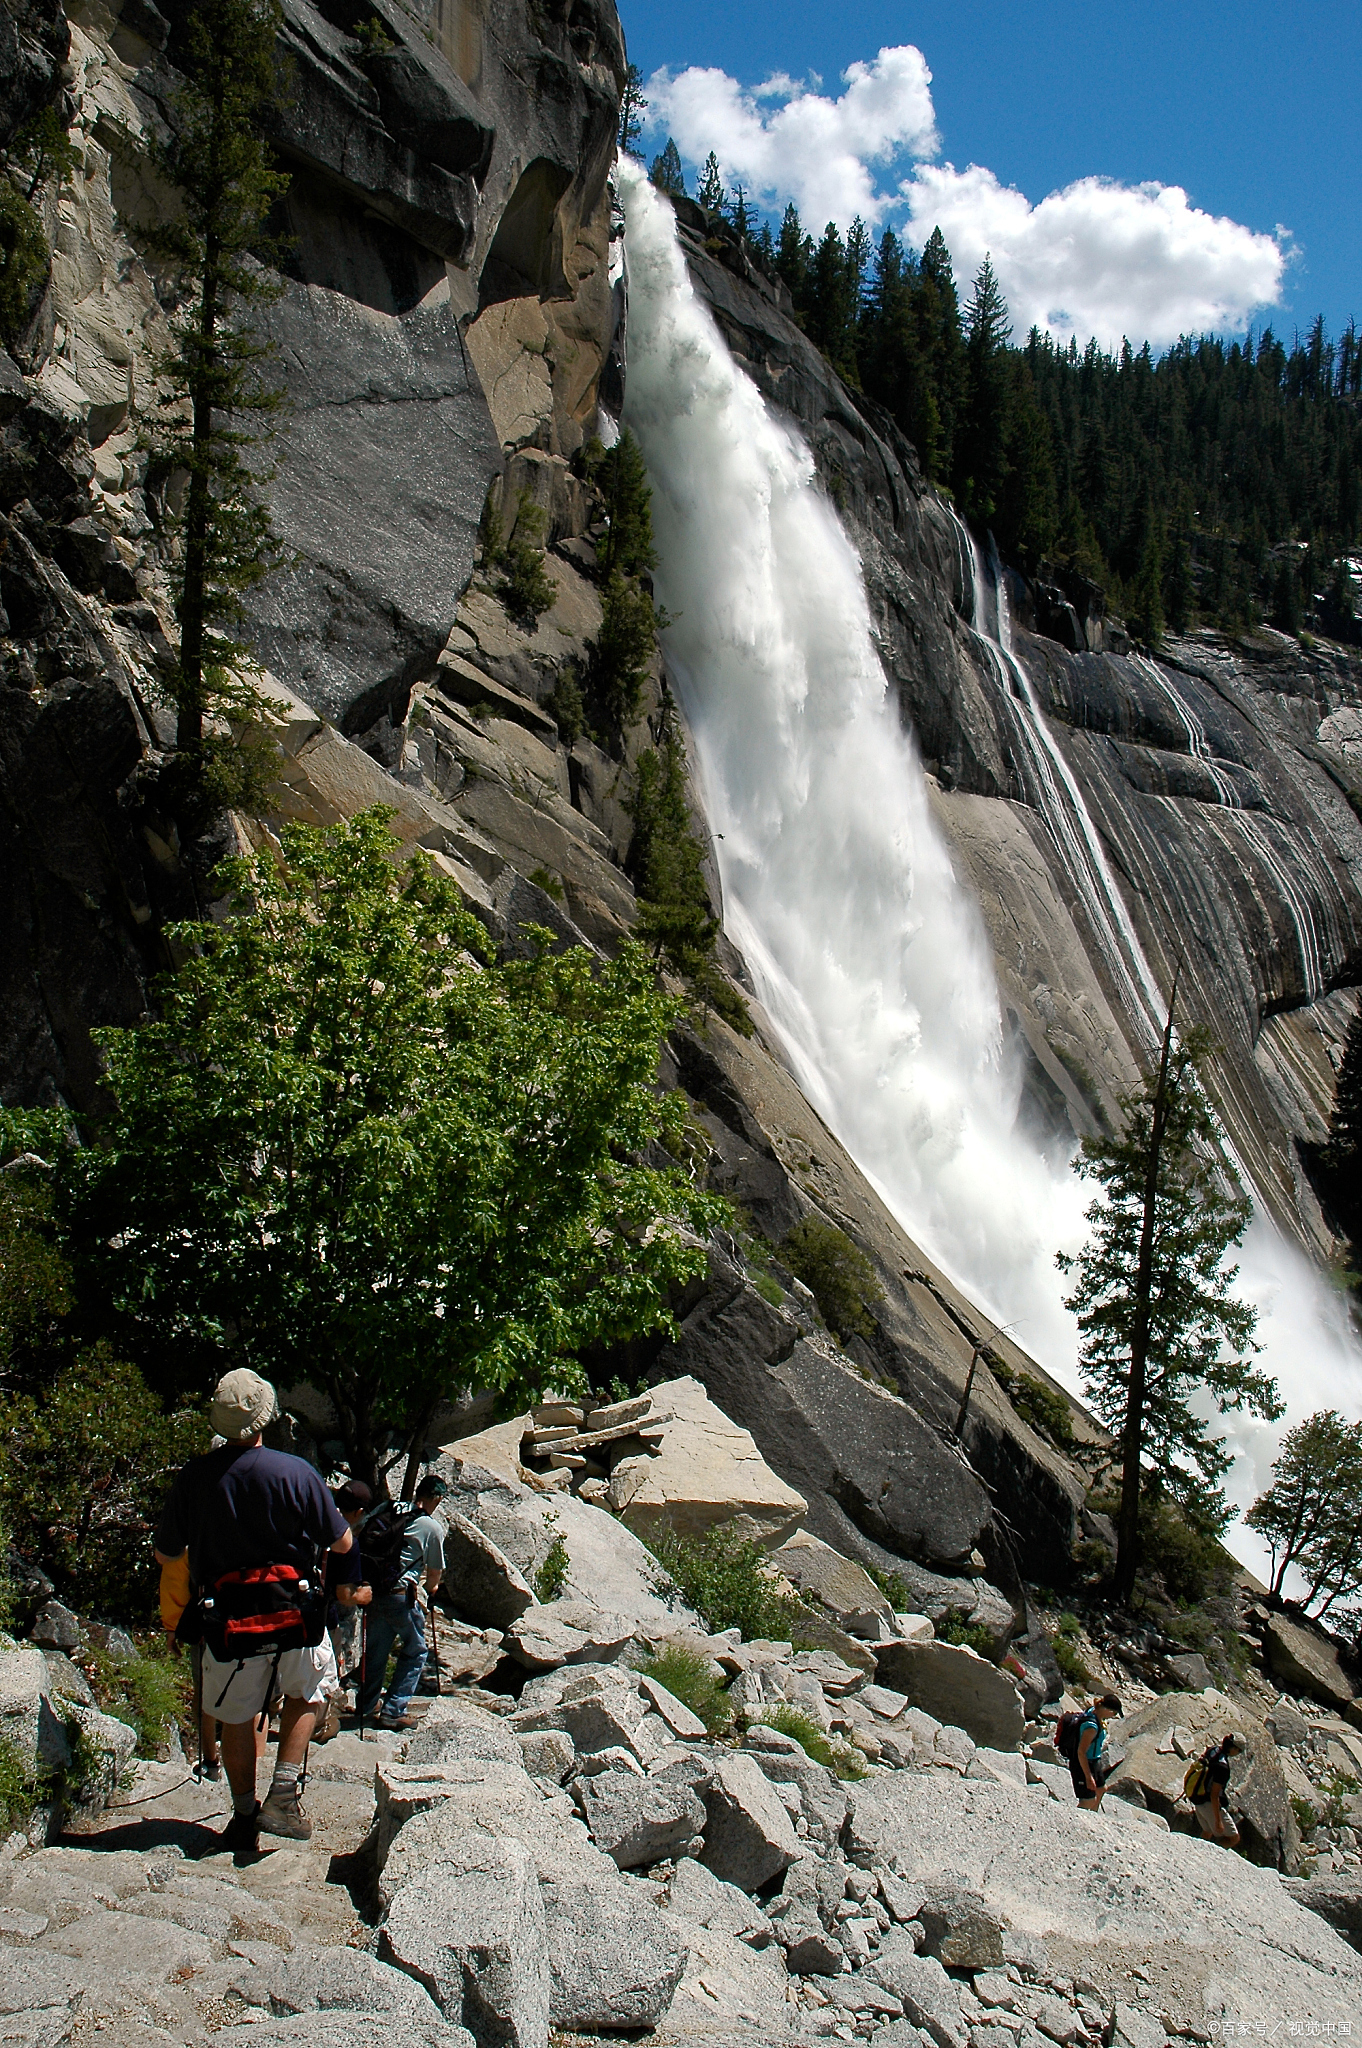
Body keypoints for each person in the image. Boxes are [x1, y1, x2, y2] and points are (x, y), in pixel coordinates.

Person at [154, 1368, 354, 1851]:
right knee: (309, 1693)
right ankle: (282, 1796)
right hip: (294, 1612)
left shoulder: (194, 1478)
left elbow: (166, 1553)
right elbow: (342, 1541)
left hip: (227, 1618)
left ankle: (243, 1815)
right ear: (264, 1418)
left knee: (235, 1716)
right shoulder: (295, 1473)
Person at [354, 1474, 447, 1732]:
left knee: (375, 1651)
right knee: (416, 1651)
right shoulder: (431, 1527)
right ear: (436, 1498)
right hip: (401, 1595)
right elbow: (434, 1576)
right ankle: (393, 1711)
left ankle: (365, 1706)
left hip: (373, 1591)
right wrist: (431, 1590)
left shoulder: (389, 1509)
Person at [316, 1480, 373, 1738]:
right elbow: (345, 1594)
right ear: (359, 1512)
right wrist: (363, 1595)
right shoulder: (346, 1538)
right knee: (323, 1675)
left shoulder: (313, 1522)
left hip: (288, 1605)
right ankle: (318, 1727)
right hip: (321, 1616)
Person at [1191, 1731, 1245, 1848]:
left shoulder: (1213, 1750)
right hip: (1208, 1803)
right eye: (1239, 1750)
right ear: (1233, 1748)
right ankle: (1213, 1854)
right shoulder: (1223, 1767)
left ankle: (1198, 1850)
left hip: (1197, 1797)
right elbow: (1214, 1795)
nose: (1238, 1753)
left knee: (1207, 1831)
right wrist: (1218, 1820)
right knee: (1234, 1838)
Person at [1071, 1692, 1124, 1809]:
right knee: (1088, 1801)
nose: (1113, 1716)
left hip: (1095, 1760)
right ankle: (1075, 1820)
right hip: (1083, 1763)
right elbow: (1081, 1752)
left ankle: (1093, 1816)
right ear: (1107, 1710)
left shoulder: (1094, 1712)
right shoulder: (1091, 1727)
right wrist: (1088, 1777)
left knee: (1101, 1789)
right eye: (1114, 1713)